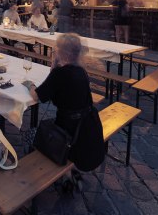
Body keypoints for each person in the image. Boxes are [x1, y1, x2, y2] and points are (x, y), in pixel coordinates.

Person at [22, 33, 105, 173]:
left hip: (68, 135)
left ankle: (37, 173)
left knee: (29, 135)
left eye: (56, 47)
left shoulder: (59, 74)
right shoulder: (81, 71)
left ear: (61, 51)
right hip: (87, 127)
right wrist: (55, 66)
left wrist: (30, 85)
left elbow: (36, 96)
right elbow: (58, 83)